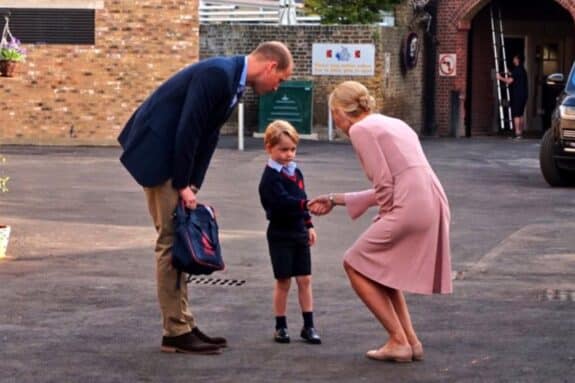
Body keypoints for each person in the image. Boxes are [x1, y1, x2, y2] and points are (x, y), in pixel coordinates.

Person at [117, 41, 293, 354]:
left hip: (172, 159)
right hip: (159, 156)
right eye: (280, 79)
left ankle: (183, 322)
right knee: (171, 242)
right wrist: (183, 182)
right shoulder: (218, 75)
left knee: (181, 238)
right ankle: (175, 331)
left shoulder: (231, 81)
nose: (277, 87)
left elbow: (207, 135)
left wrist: (193, 184)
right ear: (270, 66)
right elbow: (189, 128)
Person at [309, 81, 452, 362]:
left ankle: (399, 340)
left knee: (353, 263)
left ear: (340, 111)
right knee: (383, 271)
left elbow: (384, 184)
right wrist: (335, 199)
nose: (334, 120)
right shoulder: (391, 123)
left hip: (408, 205)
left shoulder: (361, 130)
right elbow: (401, 179)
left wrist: (386, 215)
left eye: (332, 112)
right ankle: (411, 341)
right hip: (431, 200)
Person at [258, 120, 321, 345]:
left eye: (292, 149)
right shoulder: (270, 179)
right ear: (269, 148)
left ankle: (309, 325)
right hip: (280, 233)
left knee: (304, 279)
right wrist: (306, 206)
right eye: (283, 150)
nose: (288, 155)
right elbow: (282, 203)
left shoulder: (296, 173)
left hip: (298, 231)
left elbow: (302, 197)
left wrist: (309, 224)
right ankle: (281, 326)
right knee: (283, 280)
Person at [497, 54, 528, 139]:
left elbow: (509, 81)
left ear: (517, 60)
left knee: (516, 114)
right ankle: (520, 133)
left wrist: (500, 78)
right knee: (521, 114)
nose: (513, 60)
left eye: (514, 58)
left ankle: (517, 133)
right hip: (524, 95)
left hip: (517, 95)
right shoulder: (522, 70)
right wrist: (509, 72)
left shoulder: (517, 70)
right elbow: (514, 75)